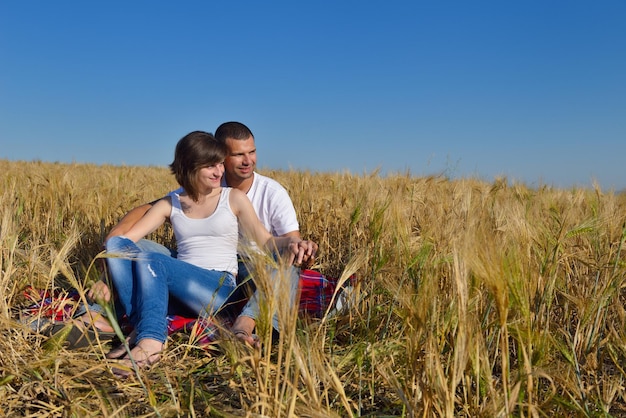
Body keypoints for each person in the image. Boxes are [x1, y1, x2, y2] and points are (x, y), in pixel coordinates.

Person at [105, 130, 316, 375]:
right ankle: (141, 320)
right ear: (189, 168)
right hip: (181, 284)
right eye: (210, 166)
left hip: (218, 288)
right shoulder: (170, 203)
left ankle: (150, 341)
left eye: (219, 164)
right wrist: (105, 276)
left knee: (154, 261)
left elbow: (265, 241)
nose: (219, 172)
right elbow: (123, 244)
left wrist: (291, 244)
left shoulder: (233, 198)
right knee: (115, 246)